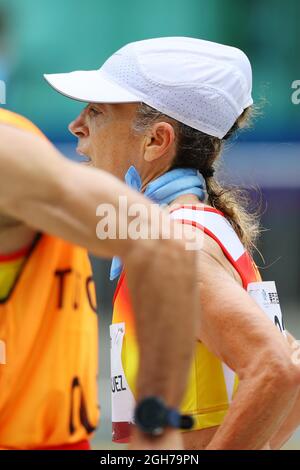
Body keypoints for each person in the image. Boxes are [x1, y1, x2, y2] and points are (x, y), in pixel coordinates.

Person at [45, 37, 300, 449]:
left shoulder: (180, 247)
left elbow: (277, 369)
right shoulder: (191, 230)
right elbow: (290, 362)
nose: (76, 125)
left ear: (156, 141)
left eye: (96, 110)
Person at [0, 107, 199, 450]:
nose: (76, 126)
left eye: (95, 110)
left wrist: (155, 428)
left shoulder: (10, 156)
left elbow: (159, 242)